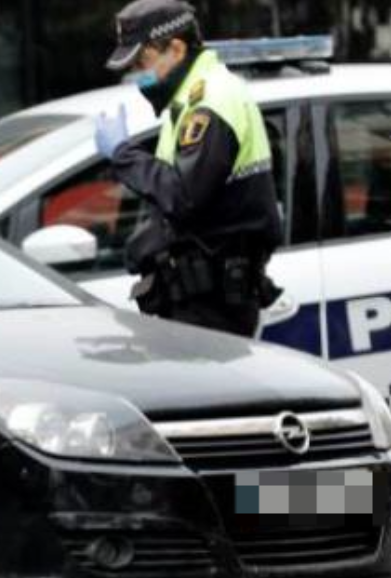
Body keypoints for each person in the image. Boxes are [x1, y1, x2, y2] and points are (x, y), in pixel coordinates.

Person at [94, 0, 282, 337]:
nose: (137, 74)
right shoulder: (191, 100)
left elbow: (182, 195)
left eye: (142, 62)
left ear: (177, 49)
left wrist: (123, 154)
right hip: (202, 296)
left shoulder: (210, 102)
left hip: (213, 302)